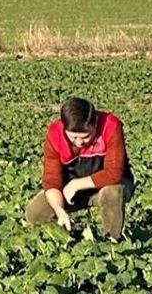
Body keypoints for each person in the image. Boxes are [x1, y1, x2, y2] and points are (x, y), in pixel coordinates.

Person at [25, 97, 134, 240]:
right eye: (73, 137)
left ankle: (113, 241)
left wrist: (77, 184)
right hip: (70, 192)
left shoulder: (110, 126)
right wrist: (59, 209)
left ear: (95, 123)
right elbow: (51, 181)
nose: (79, 142)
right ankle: (72, 234)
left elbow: (114, 173)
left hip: (108, 185)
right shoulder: (55, 134)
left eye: (86, 136)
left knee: (112, 192)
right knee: (34, 213)